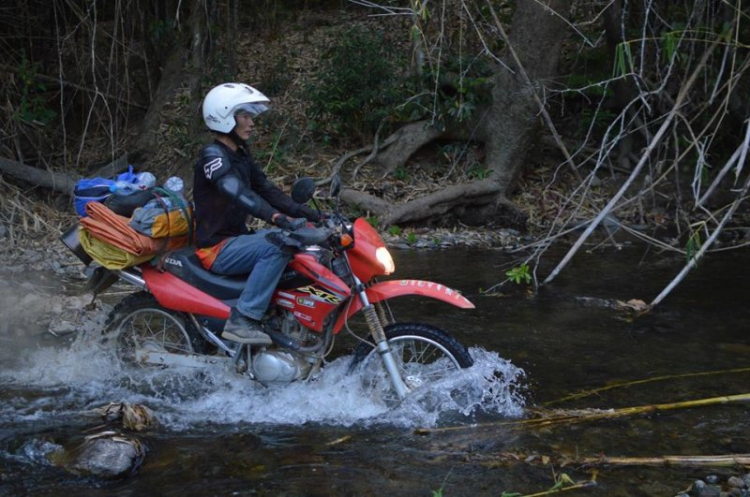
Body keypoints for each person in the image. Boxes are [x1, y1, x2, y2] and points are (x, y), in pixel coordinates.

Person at [193, 82, 319, 345]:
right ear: (225, 117)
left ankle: (282, 319)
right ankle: (243, 319)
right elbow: (233, 189)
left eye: (251, 117)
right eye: (245, 116)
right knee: (278, 243)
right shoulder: (212, 155)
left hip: (238, 238)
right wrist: (274, 217)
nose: (251, 123)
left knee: (303, 240)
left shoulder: (240, 153)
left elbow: (266, 189)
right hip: (217, 248)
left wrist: (310, 216)